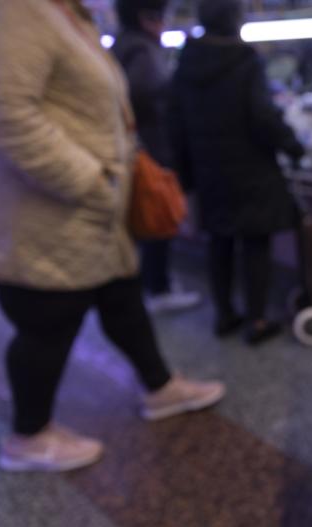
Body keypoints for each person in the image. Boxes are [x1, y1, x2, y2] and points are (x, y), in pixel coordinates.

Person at [0, 0, 225, 472]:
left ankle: (159, 387)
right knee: (47, 321)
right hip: (38, 212)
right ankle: (28, 438)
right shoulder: (9, 8)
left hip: (82, 211)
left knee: (120, 295)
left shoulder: (65, 13)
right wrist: (89, 179)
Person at [170, 0, 305, 345]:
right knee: (255, 243)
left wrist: (185, 177)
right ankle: (257, 320)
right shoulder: (244, 61)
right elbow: (263, 116)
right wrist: (291, 145)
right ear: (236, 18)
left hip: (208, 170)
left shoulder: (187, 61)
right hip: (250, 169)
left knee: (219, 241)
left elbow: (177, 124)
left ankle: (224, 314)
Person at [112, 0, 201, 314]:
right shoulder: (142, 51)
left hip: (137, 150)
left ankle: (150, 282)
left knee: (145, 221)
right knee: (157, 220)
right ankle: (158, 288)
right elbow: (149, 94)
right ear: (148, 16)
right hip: (151, 151)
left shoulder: (123, 45)